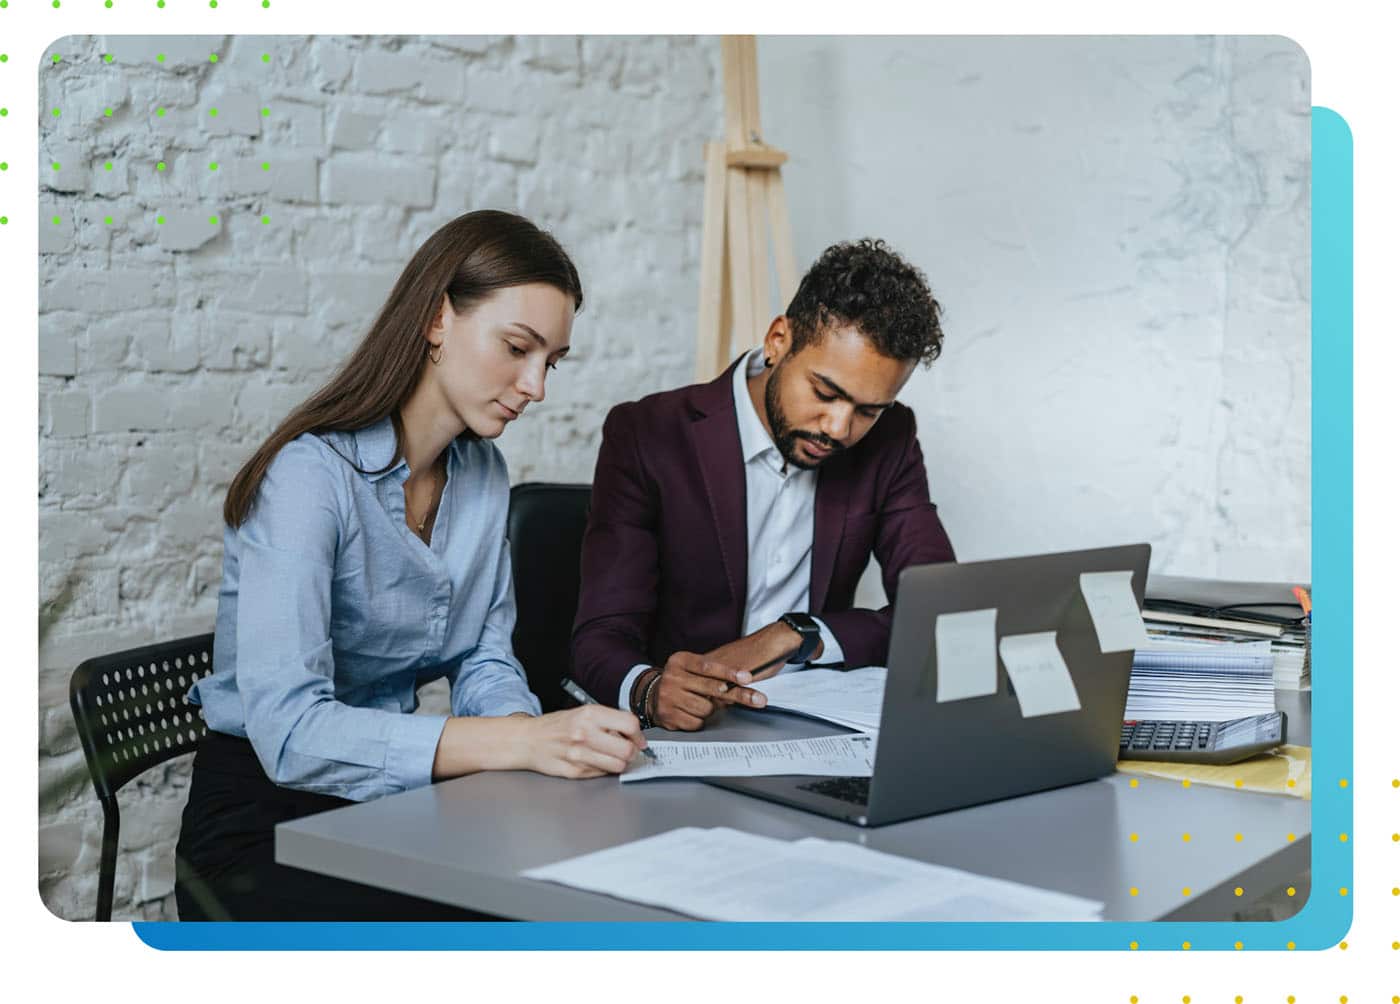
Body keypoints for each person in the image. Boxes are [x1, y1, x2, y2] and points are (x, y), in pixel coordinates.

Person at [175, 210, 646, 921]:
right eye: (517, 347)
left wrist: (542, 755)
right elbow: (295, 736)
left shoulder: (483, 473)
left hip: (392, 804)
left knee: (580, 892)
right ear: (436, 320)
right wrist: (520, 740)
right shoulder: (307, 479)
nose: (537, 386)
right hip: (262, 818)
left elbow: (486, 659)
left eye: (551, 361)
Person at [571, 238, 956, 730]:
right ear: (778, 340)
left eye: (867, 410)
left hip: (812, 723)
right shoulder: (650, 434)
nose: (839, 428)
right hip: (681, 734)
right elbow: (598, 637)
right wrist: (649, 689)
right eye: (824, 392)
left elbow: (938, 609)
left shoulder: (891, 439)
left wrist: (799, 634)